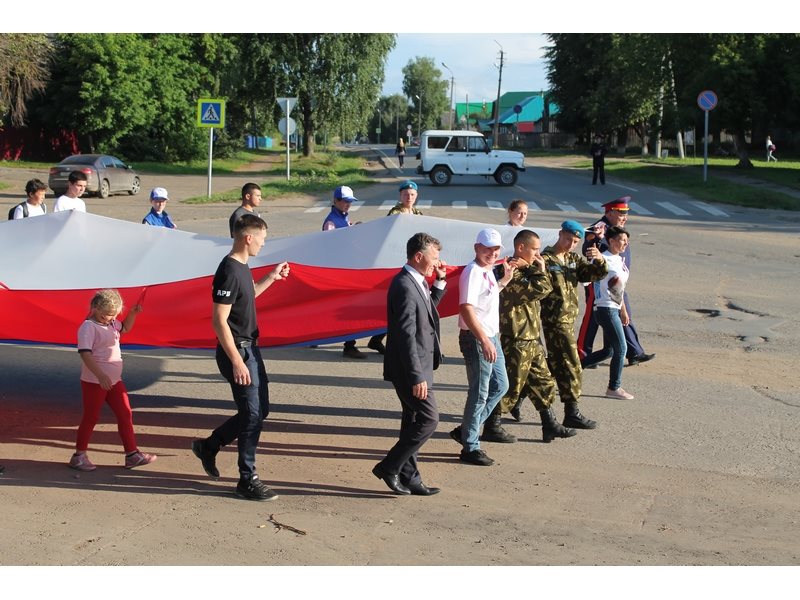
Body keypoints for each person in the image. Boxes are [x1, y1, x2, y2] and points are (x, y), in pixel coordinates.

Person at [191, 214, 290, 501]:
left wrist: (271, 277)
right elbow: (219, 320)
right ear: (248, 237)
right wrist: (236, 361)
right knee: (252, 414)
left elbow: (249, 297)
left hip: (250, 348)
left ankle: (210, 446)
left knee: (260, 411)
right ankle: (247, 479)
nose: (263, 243)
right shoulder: (229, 271)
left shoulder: (243, 268)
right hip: (238, 351)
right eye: (262, 238)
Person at [372, 232, 447, 496]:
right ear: (418, 256)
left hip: (421, 364)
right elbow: (404, 335)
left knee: (413, 418)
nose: (438, 263)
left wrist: (439, 284)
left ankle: (410, 475)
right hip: (410, 368)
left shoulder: (418, 281)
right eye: (434, 258)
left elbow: (426, 314)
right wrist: (417, 376)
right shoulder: (404, 285)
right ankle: (390, 466)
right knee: (429, 419)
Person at [493, 229, 578, 443]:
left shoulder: (527, 270)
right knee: (509, 387)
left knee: (543, 381)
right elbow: (542, 289)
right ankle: (490, 425)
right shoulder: (510, 271)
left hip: (531, 336)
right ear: (520, 248)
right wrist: (537, 268)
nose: (538, 254)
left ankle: (549, 424)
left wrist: (533, 267)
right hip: (515, 337)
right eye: (534, 249)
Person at [68, 289, 157, 471]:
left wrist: (132, 314)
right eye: (106, 315)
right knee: (91, 417)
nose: (110, 319)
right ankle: (79, 455)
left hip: (114, 380)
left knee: (125, 413)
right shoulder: (88, 327)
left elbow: (125, 328)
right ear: (95, 309)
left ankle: (132, 454)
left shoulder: (112, 323)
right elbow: (85, 354)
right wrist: (100, 375)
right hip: (95, 381)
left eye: (113, 315)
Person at [450, 228, 516, 466]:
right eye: (487, 248)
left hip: (490, 337)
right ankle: (470, 446)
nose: (491, 252)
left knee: (501, 385)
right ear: (476, 247)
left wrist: (503, 282)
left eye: (495, 249)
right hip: (477, 338)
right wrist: (484, 340)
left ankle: (467, 429)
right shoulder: (473, 271)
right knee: (480, 393)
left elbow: (485, 298)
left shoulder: (487, 271)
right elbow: (466, 308)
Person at [540, 220, 607, 430]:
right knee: (572, 364)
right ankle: (572, 412)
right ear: (560, 234)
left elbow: (593, 275)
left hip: (568, 321)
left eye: (575, 241)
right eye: (568, 239)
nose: (570, 244)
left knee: (554, 365)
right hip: (554, 320)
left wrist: (599, 260)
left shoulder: (572, 259)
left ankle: (519, 396)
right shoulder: (545, 259)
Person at [578, 196, 655, 366]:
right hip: (599, 283)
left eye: (626, 214)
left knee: (623, 314)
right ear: (611, 212)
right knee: (592, 319)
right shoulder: (599, 227)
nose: (625, 218)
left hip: (616, 282)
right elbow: (587, 249)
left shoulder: (617, 228)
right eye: (621, 214)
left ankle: (634, 352)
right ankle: (583, 355)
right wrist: (596, 238)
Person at [367, 180, 423, 355]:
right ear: (400, 196)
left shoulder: (418, 213)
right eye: (406, 194)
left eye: (412, 194)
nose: (409, 197)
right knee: (399, 303)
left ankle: (378, 339)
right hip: (396, 262)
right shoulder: (395, 213)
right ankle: (383, 339)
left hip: (414, 263)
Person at [581, 226, 635, 400]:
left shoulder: (620, 260)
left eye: (627, 241)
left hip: (615, 308)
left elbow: (620, 289)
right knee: (622, 348)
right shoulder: (602, 258)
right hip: (605, 308)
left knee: (609, 350)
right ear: (611, 241)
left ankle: (570, 370)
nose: (625, 244)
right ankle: (614, 388)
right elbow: (590, 269)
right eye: (621, 240)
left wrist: (624, 311)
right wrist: (594, 243)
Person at [322, 185, 367, 359]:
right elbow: (330, 245)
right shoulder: (331, 221)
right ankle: (349, 345)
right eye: (345, 201)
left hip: (347, 268)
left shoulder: (343, 217)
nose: (348, 204)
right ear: (336, 201)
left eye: (350, 201)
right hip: (340, 270)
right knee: (349, 309)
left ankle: (346, 342)